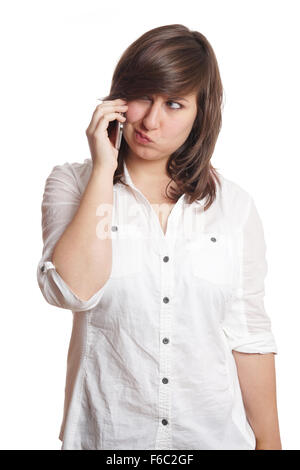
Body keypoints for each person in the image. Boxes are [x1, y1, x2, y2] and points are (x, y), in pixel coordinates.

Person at [37, 24, 282, 450]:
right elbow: (72, 291)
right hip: (110, 441)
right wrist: (102, 170)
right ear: (119, 99)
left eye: (173, 103)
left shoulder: (234, 208)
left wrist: (271, 442)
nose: (151, 120)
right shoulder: (71, 184)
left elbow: (249, 335)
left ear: (200, 113)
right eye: (142, 97)